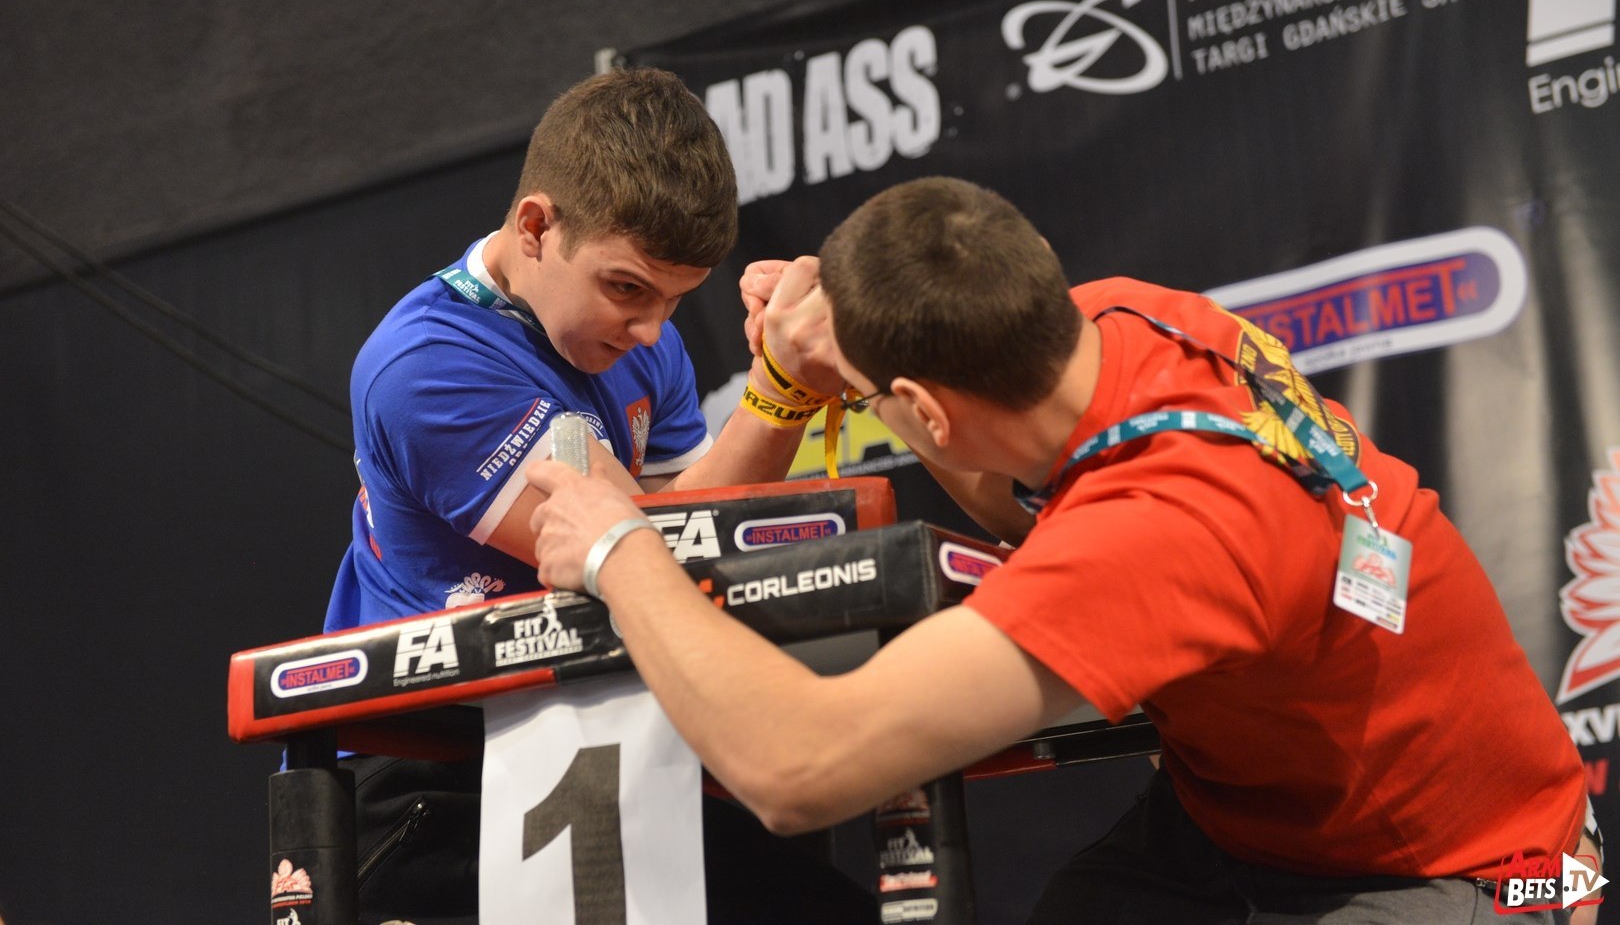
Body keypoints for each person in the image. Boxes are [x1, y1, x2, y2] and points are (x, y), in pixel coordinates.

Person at [526, 176, 1597, 924]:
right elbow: (1007, 478)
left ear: (922, 409)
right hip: (1253, 824)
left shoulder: (1162, 534)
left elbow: (798, 770)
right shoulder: (1128, 320)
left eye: (877, 398)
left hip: (1499, 876)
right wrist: (863, 366)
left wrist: (621, 547)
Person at [326, 67, 872, 925]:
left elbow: (698, 525)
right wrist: (778, 389)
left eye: (676, 300)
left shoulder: (637, 340)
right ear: (535, 227)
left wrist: (784, 382)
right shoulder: (423, 365)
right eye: (627, 289)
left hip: (592, 739)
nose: (652, 331)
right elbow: (631, 547)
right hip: (432, 779)